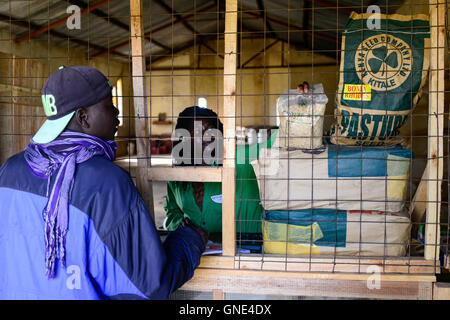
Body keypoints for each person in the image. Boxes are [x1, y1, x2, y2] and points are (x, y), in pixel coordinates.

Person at [0, 65, 208, 300]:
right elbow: (150, 285)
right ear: (83, 117)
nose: (118, 113)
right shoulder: (107, 183)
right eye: (109, 106)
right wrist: (189, 240)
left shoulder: (9, 171)